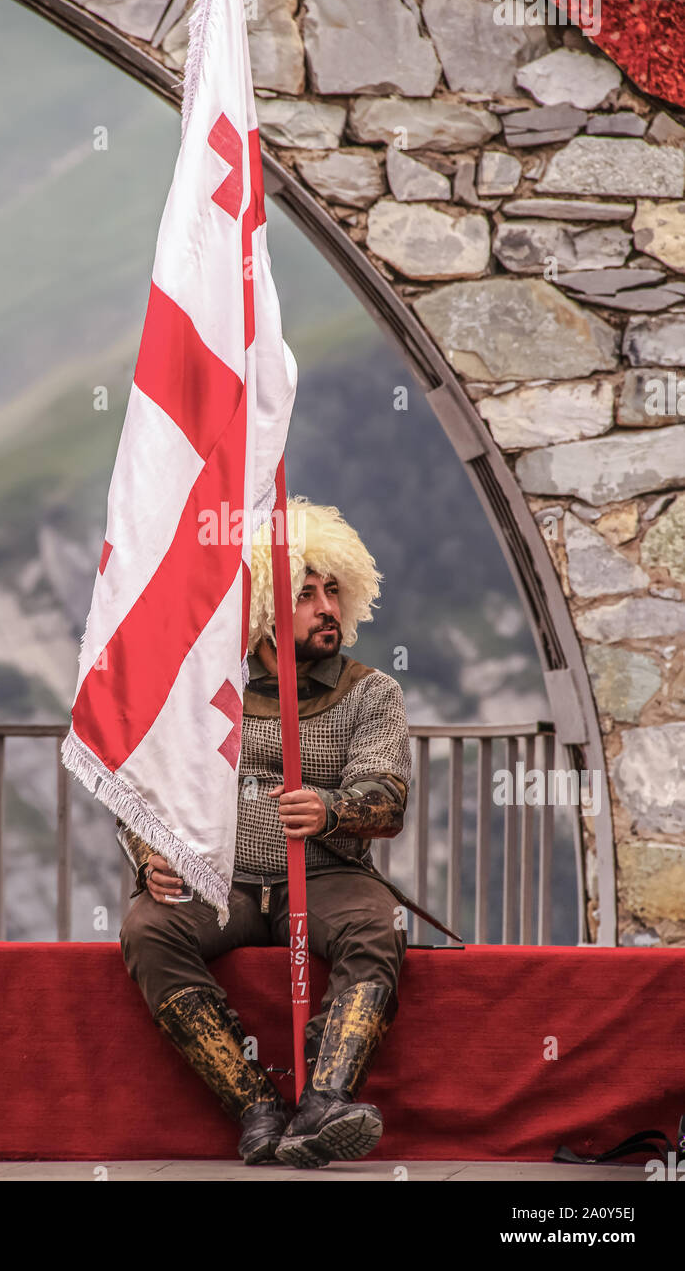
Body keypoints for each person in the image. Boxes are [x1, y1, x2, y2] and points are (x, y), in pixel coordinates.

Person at [118, 496, 412, 1168]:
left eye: (334, 591)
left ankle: (326, 1102)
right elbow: (144, 796)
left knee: (380, 927)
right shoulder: (203, 694)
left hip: (330, 875)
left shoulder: (374, 694)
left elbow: (386, 793)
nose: (327, 607)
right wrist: (150, 854)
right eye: (306, 594)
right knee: (147, 928)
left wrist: (332, 811)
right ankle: (255, 1105)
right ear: (263, 611)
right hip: (221, 879)